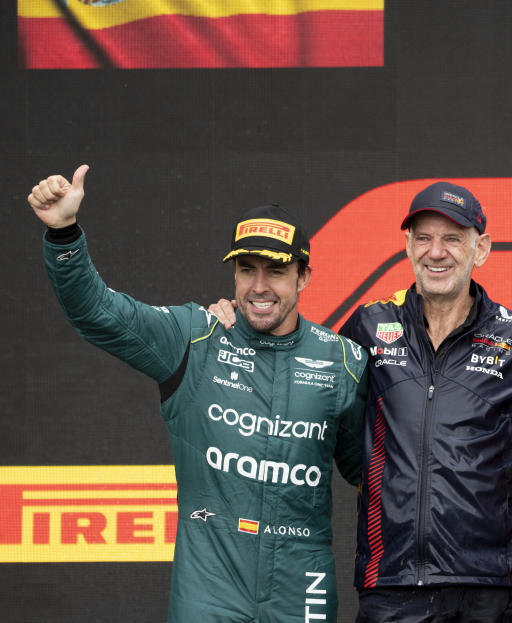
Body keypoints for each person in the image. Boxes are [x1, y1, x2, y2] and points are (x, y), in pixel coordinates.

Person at [29, 167, 368, 623]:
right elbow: (96, 311)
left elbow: (371, 470)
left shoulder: (343, 362)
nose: (259, 287)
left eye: (277, 271)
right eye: (247, 270)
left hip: (301, 583)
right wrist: (63, 234)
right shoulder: (194, 337)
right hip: (210, 588)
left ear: (304, 276)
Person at [210, 181, 512, 622]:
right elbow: (298, 368)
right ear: (407, 245)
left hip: (492, 586)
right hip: (393, 581)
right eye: (423, 237)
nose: (436, 252)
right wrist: (239, 325)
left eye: (452, 238)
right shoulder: (369, 326)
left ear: (480, 248)